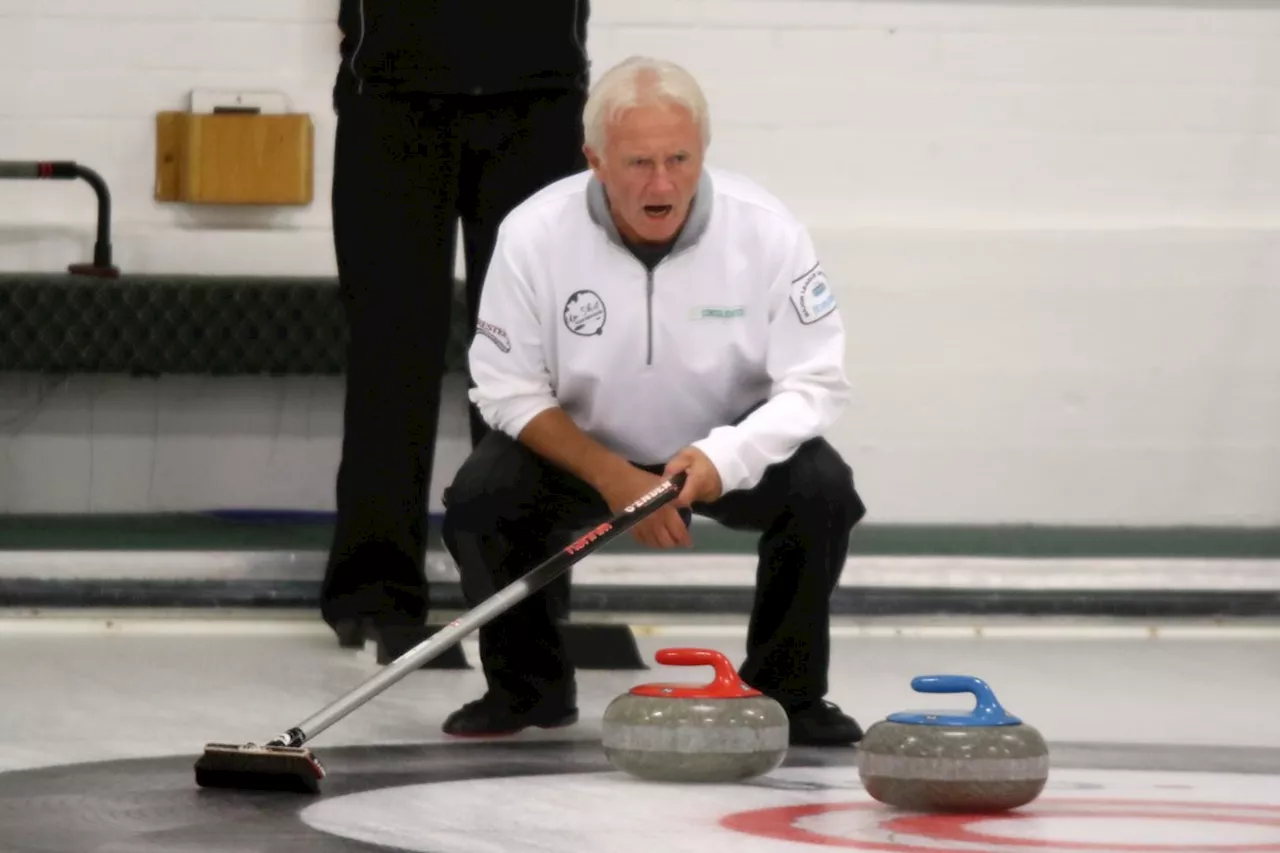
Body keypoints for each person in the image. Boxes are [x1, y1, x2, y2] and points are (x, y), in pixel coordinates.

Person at [439, 56, 867, 746]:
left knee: (823, 490)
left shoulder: (767, 230)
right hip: (585, 452)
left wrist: (721, 457)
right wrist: (612, 475)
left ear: (703, 153)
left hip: (720, 448)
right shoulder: (533, 234)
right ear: (595, 160)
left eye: (679, 158)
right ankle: (527, 689)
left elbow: (817, 381)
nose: (662, 183)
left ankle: (788, 692)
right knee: (480, 497)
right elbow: (505, 386)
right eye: (638, 162)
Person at [321, 1, 591, 644]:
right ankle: (374, 588)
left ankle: (528, 588)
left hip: (539, 96)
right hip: (390, 92)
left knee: (528, 360)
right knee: (389, 353)